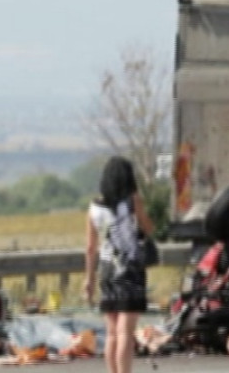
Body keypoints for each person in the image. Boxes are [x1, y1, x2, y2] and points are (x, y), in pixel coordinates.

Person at [83, 156, 154, 373]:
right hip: (130, 270)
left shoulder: (93, 208)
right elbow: (148, 228)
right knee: (125, 332)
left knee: (112, 332)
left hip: (106, 271)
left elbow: (90, 247)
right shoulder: (133, 201)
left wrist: (89, 279)